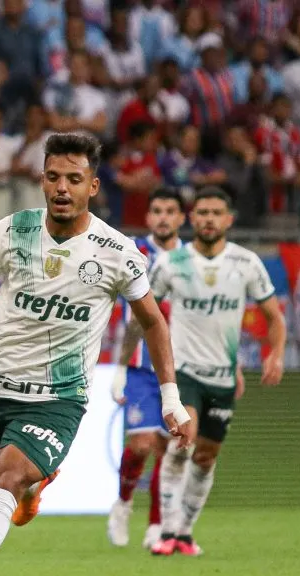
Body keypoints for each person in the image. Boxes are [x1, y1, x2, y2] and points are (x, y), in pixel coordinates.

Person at [0, 133, 193, 576]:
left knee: (5, 477)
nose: (63, 188)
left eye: (74, 180)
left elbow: (153, 321)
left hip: (57, 398)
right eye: (54, 177)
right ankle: (34, 489)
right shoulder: (11, 232)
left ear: (93, 186)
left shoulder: (115, 252)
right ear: (41, 180)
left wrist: (171, 397)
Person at [147, 186, 286, 556]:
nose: (208, 219)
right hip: (184, 372)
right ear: (192, 219)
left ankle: (185, 533)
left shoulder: (246, 263)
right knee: (182, 440)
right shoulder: (170, 263)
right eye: (202, 213)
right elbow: (145, 313)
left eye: (215, 213)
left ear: (228, 219)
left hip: (223, 377)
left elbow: (274, 317)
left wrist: (276, 355)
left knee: (206, 457)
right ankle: (166, 530)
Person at [107, 187, 192, 549]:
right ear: (148, 217)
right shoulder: (132, 251)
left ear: (180, 218)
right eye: (156, 210)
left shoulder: (192, 260)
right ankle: (124, 503)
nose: (163, 217)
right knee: (141, 444)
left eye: (170, 211)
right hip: (143, 365)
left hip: (184, 364)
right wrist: (121, 366)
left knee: (168, 446)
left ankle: (156, 524)